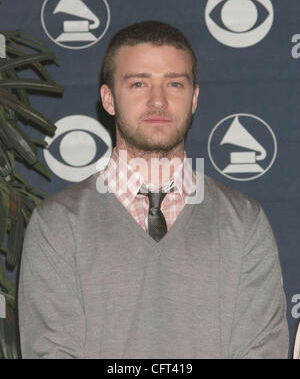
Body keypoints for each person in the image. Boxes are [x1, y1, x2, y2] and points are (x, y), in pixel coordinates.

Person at [18, 21, 289, 359]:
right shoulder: (57, 224)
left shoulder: (245, 222)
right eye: (138, 83)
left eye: (174, 83)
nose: (157, 101)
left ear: (193, 99)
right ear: (109, 99)